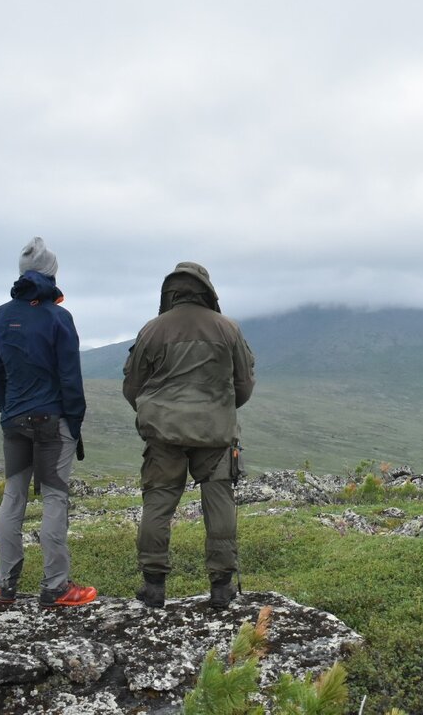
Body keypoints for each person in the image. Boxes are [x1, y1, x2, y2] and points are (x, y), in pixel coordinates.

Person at [123, 261, 255, 609]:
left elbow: (132, 386)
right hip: (215, 435)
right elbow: (244, 385)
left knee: (158, 503)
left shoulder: (152, 330)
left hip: (163, 435)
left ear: (171, 291)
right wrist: (220, 410)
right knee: (219, 502)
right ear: (207, 291)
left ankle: (153, 588)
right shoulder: (228, 329)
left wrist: (156, 413)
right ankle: (221, 588)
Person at [0, 237, 97, 609]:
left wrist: (9, 407)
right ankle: (56, 587)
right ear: (50, 274)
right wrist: (73, 424)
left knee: (12, 496)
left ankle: (5, 585)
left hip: (13, 420)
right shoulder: (59, 318)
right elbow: (70, 379)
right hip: (52, 421)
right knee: (54, 498)